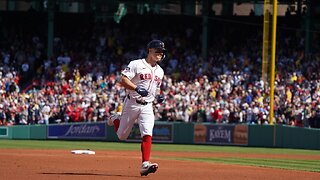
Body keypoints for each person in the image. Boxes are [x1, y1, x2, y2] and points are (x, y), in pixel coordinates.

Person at [107, 39, 166, 176]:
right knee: (122, 136)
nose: (160, 54)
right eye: (157, 50)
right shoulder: (136, 64)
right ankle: (116, 117)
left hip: (147, 106)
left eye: (162, 52)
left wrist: (158, 97)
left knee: (147, 132)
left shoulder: (160, 71)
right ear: (149, 50)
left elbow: (154, 89)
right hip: (132, 102)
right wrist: (136, 88)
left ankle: (145, 164)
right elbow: (123, 79)